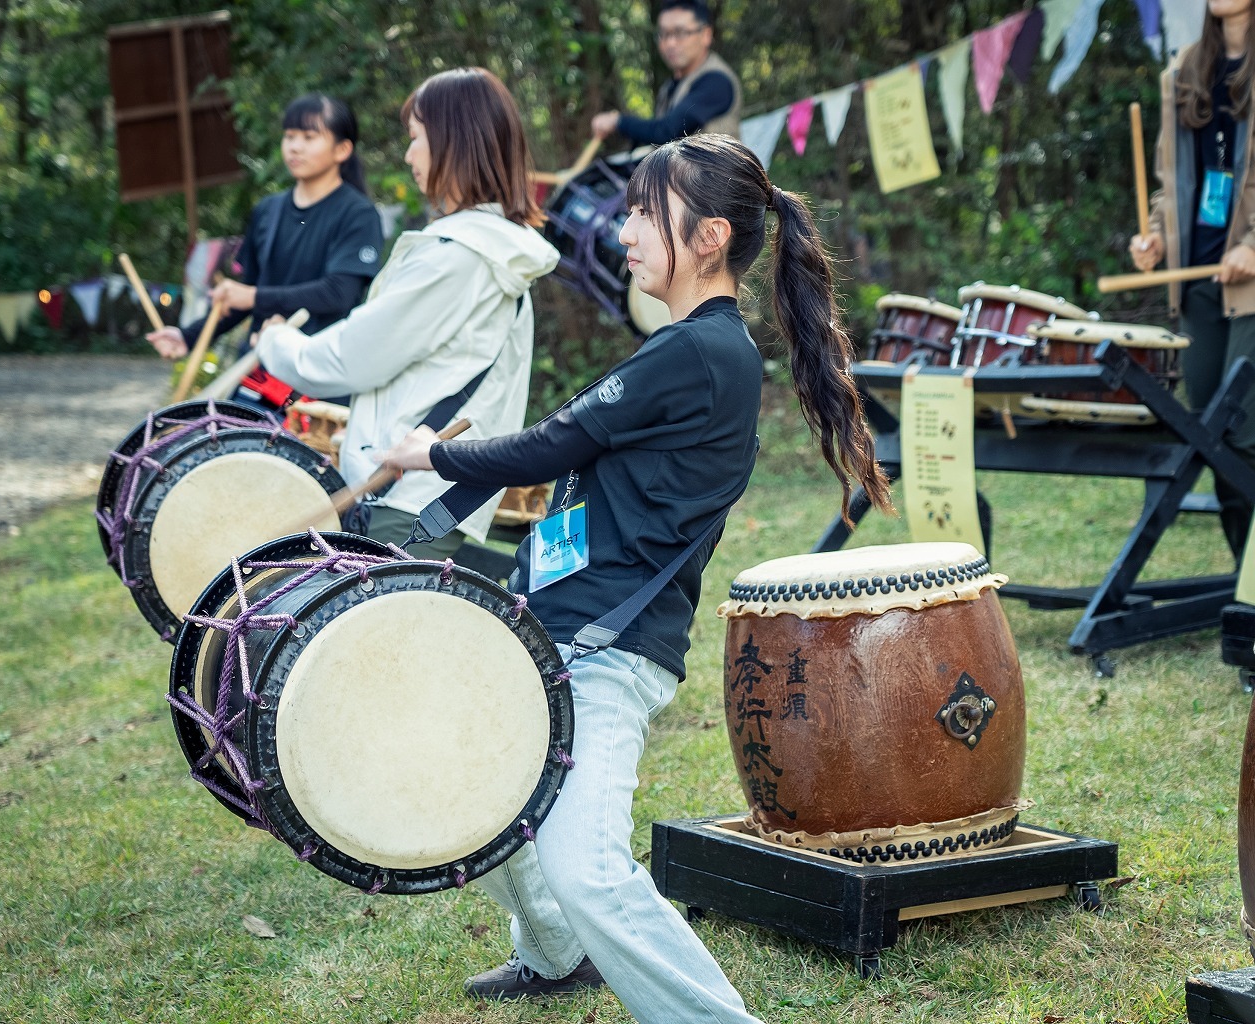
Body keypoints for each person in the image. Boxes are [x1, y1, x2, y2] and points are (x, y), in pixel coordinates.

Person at [379, 133, 893, 1023]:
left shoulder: (699, 352)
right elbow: (574, 444)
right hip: (561, 626)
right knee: (481, 797)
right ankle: (554, 953)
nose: (622, 231)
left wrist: (434, 451)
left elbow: (554, 441)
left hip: (606, 647)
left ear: (708, 237)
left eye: (643, 213)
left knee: (587, 867)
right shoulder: (691, 349)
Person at [256, 68, 559, 559]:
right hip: (421, 494)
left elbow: (353, 356)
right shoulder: (487, 249)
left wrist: (275, 343)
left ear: (452, 144)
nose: (407, 155)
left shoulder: (458, 257)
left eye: (416, 139)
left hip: (406, 498)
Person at [147, 93, 384, 409]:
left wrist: (254, 297)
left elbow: (338, 293)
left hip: (316, 379)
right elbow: (243, 297)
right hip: (259, 370)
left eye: (309, 137)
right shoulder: (268, 211)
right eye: (289, 136)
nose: (295, 146)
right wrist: (188, 336)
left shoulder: (358, 214)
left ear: (342, 149)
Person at [1131, 0, 1255, 560]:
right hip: (1199, 278)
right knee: (1213, 432)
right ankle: (1244, 581)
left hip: (1250, 282)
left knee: (1247, 429)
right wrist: (1155, 236)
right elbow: (1172, 179)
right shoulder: (1185, 70)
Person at [590, 0, 742, 147]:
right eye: (663, 34)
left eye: (681, 33)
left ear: (706, 35)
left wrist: (618, 122)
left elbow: (666, 132)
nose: (670, 43)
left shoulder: (716, 82)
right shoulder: (671, 86)